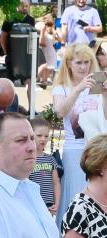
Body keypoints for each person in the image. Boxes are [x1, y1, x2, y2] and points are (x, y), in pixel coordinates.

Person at [53, 43, 100, 226]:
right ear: (69, 64)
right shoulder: (61, 88)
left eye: (87, 62)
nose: (83, 67)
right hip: (74, 150)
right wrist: (79, 88)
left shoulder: (96, 83)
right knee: (74, 197)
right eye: (79, 62)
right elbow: (60, 111)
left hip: (97, 148)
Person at [29, 117, 61, 215]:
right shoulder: (26, 159)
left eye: (46, 136)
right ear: (31, 135)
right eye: (39, 135)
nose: (43, 139)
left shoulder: (51, 159)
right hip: (32, 204)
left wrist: (57, 203)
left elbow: (56, 183)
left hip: (49, 205)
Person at [37, 17, 58, 87]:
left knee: (49, 68)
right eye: (49, 25)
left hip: (50, 51)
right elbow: (41, 42)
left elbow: (56, 40)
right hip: (47, 51)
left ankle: (43, 80)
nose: (50, 27)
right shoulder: (43, 31)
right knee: (47, 66)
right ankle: (36, 77)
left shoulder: (49, 32)